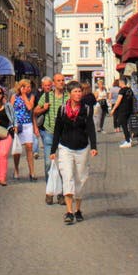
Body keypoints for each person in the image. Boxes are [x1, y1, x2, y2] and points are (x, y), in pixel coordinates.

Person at [50, 81, 97, 224]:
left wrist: (94, 146)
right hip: (65, 147)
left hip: (82, 147)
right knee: (67, 176)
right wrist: (53, 150)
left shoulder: (87, 109)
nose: (78, 94)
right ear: (69, 94)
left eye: (79, 91)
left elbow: (90, 128)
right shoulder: (63, 109)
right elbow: (58, 129)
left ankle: (78, 209)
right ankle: (69, 212)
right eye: (75, 91)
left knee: (80, 179)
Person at [35, 72, 67, 202]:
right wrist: (43, 108)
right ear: (54, 83)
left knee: (63, 165)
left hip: (64, 134)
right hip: (49, 133)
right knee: (49, 164)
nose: (61, 83)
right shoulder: (46, 96)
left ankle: (62, 193)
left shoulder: (68, 97)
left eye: (63, 80)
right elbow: (36, 111)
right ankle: (50, 191)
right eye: (58, 80)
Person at [10, 78, 38, 182]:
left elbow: (30, 107)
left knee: (29, 147)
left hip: (27, 124)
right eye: (27, 87)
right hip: (18, 125)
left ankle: (32, 171)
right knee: (17, 150)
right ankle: (16, 169)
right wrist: (13, 124)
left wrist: (24, 95)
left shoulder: (31, 96)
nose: (29, 89)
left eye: (30, 87)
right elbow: (10, 110)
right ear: (21, 87)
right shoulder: (14, 97)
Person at [110, 76, 134, 147]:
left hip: (123, 110)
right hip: (129, 109)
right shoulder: (130, 90)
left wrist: (113, 109)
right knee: (126, 124)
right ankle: (129, 138)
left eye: (119, 82)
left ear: (121, 82)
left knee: (123, 125)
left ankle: (128, 141)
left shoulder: (122, 90)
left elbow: (118, 101)